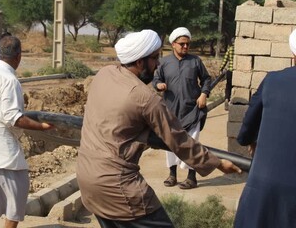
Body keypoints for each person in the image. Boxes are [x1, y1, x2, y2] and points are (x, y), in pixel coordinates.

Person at [76, 29, 241, 228]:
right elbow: (178, 140)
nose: (157, 65)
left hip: (86, 177)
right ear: (139, 62)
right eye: (154, 59)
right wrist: (218, 163)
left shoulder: (104, 74)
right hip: (118, 187)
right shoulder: (145, 98)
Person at [0, 35, 54, 228]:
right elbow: (13, 117)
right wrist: (42, 127)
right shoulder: (9, 79)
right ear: (18, 56)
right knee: (18, 186)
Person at [234, 29, 296, 228]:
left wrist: (247, 140)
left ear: (293, 54)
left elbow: (250, 121)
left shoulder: (272, 80)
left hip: (264, 190)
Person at [152, 27, 212, 190]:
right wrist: (158, 84)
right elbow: (156, 78)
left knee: (192, 144)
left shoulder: (195, 61)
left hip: (192, 111)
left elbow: (206, 79)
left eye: (187, 44)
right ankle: (172, 175)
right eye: (182, 44)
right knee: (170, 144)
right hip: (170, 111)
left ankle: (192, 178)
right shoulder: (164, 63)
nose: (185, 47)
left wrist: (204, 94)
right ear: (173, 44)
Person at [219, 38, 234, 111]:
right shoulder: (239, 50)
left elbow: (225, 60)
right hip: (236, 72)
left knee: (228, 85)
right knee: (234, 86)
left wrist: (221, 68)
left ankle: (226, 99)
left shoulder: (230, 49)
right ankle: (233, 101)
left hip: (229, 71)